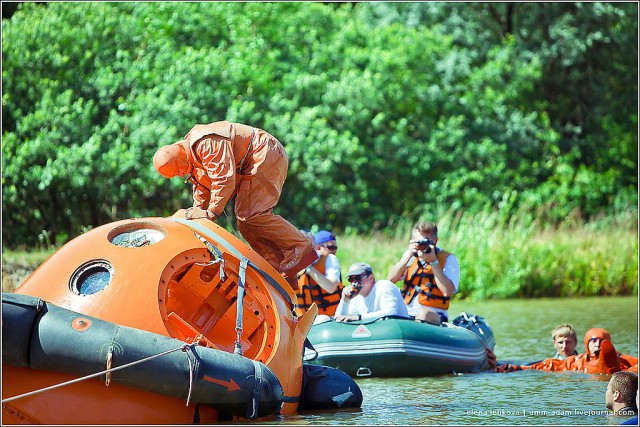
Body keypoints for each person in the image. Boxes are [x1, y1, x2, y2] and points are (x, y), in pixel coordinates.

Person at [152, 121, 317, 289]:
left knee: (252, 214)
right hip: (253, 161)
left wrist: (211, 213)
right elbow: (202, 189)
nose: (180, 175)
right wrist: (197, 217)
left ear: (181, 157)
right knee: (244, 223)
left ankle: (299, 246)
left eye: (179, 170)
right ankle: (275, 266)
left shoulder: (206, 142)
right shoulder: (193, 159)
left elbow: (223, 179)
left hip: (264, 153)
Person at [387, 221, 460, 325]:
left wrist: (433, 262)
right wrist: (407, 256)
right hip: (407, 314)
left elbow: (447, 291)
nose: (422, 245)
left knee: (423, 314)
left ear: (435, 241)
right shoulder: (411, 257)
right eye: (419, 242)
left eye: (426, 242)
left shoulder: (448, 259)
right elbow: (390, 281)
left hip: (434, 315)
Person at [497, 327, 639, 374]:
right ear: (586, 344)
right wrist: (518, 367)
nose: (597, 345)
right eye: (593, 341)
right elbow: (550, 365)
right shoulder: (578, 361)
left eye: (601, 342)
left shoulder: (620, 358)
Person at [334, 262, 409, 322]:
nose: (354, 283)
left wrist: (359, 317)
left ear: (371, 278)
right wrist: (344, 301)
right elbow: (338, 320)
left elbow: (391, 312)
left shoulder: (384, 286)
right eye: (351, 279)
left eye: (357, 278)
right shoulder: (356, 298)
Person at [295, 230, 343, 317]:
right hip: (302, 320)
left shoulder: (329, 259)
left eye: (310, 246)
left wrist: (308, 267)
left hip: (329, 317)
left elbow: (331, 287)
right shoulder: (289, 264)